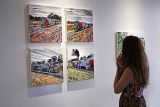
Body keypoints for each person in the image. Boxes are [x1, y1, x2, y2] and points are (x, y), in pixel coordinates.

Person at [114, 36, 149, 107]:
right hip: (140, 102)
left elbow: (116, 90)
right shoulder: (143, 66)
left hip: (130, 103)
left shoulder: (130, 71)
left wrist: (118, 68)